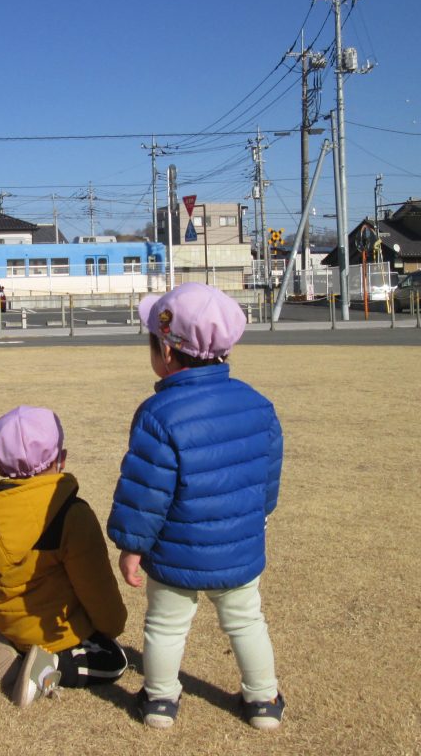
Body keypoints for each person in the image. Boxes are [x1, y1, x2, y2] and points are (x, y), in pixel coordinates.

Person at [107, 282, 285, 730]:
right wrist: (260, 515)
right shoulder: (258, 405)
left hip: (174, 549)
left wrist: (132, 546)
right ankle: (263, 700)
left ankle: (160, 701)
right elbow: (266, 476)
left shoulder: (158, 414)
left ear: (167, 351)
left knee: (166, 626)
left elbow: (146, 492)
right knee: (246, 621)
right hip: (238, 545)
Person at [0, 405, 128, 708]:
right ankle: (50, 666)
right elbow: (96, 587)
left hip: (7, 625)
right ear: (61, 458)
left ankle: (8, 644)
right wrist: (112, 626)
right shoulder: (71, 514)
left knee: (11, 632)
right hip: (55, 634)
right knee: (115, 659)